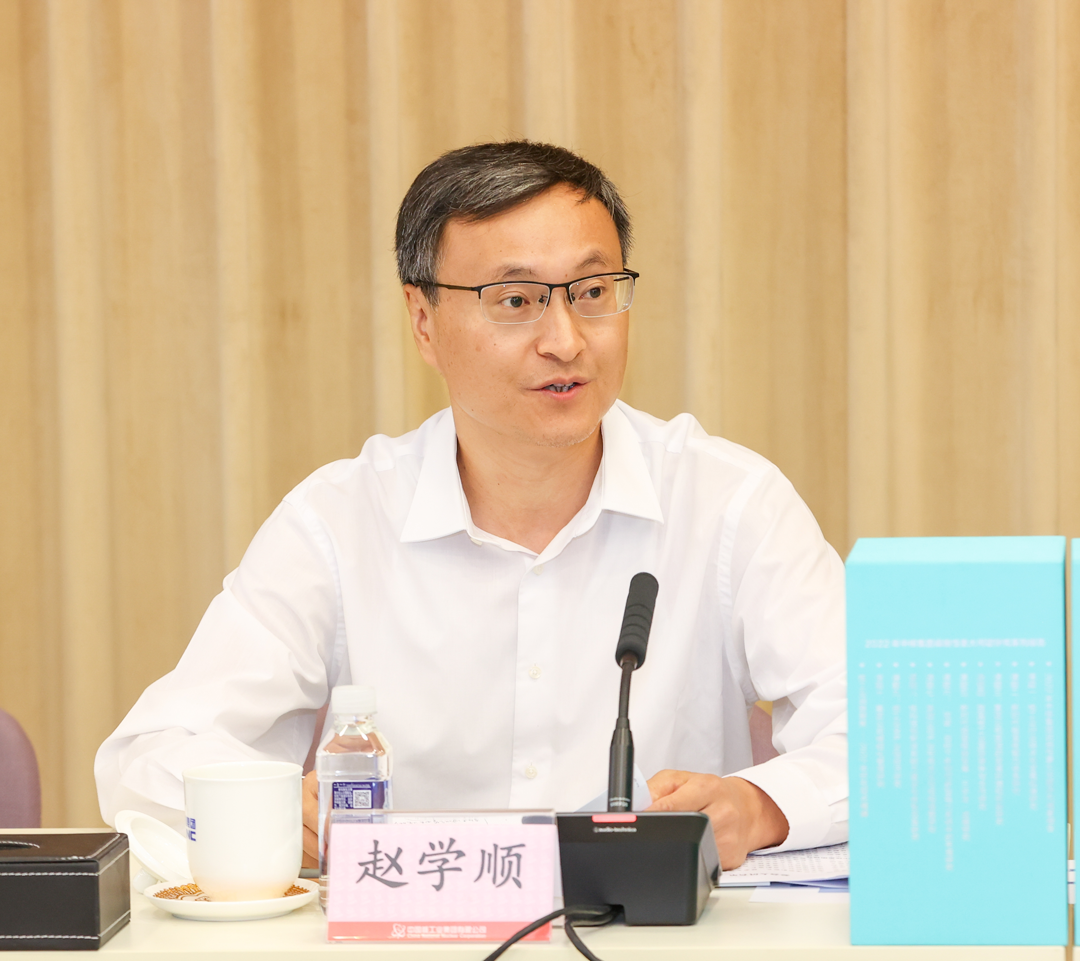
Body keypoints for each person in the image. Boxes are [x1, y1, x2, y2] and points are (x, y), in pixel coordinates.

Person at [95, 142, 846, 871]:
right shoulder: (340, 523)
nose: (565, 340)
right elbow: (148, 754)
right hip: (415, 925)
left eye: (592, 293)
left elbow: (880, 738)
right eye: (516, 301)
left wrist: (759, 805)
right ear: (423, 321)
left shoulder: (729, 504)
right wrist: (266, 807)